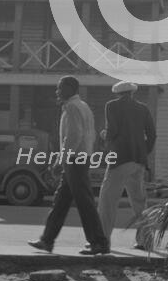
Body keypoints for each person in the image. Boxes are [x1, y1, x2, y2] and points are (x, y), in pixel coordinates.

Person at [28, 75, 109, 255]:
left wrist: (61, 160)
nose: (57, 91)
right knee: (61, 201)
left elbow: (74, 135)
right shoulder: (84, 106)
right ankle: (47, 240)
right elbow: (92, 134)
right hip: (81, 156)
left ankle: (99, 242)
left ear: (70, 89)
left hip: (74, 158)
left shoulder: (72, 107)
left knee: (84, 201)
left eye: (60, 88)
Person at [97, 80, 156, 250]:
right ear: (132, 93)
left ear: (117, 93)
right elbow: (152, 134)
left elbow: (113, 130)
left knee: (107, 201)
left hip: (119, 159)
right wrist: (144, 152)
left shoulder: (112, 106)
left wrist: (104, 136)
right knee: (139, 202)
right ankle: (145, 240)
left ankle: (102, 241)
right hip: (138, 161)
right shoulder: (143, 108)